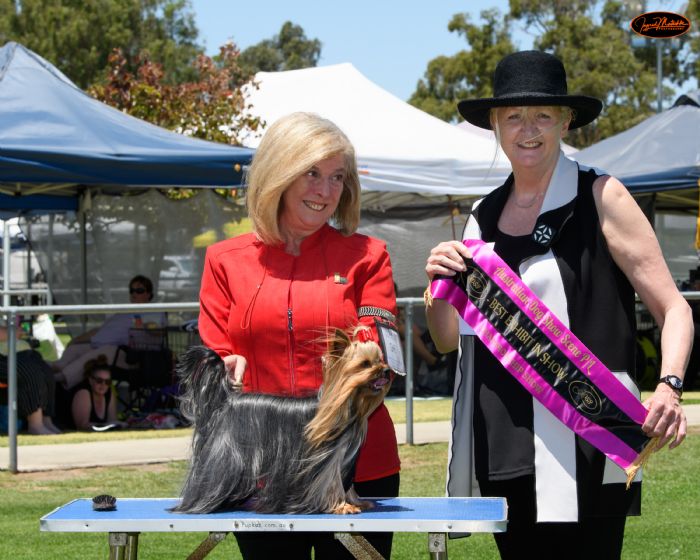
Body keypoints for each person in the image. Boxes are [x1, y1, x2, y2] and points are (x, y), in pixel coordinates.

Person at [424, 51, 691, 559]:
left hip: (591, 435)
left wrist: (670, 385)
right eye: (514, 116)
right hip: (504, 444)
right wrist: (437, 282)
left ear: (566, 121)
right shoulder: (482, 214)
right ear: (495, 125)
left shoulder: (602, 195)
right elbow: (447, 339)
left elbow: (675, 308)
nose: (528, 130)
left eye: (543, 115)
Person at [198, 112, 400, 559]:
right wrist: (222, 368)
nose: (325, 191)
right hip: (260, 469)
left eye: (337, 177)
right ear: (279, 174)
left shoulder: (369, 257)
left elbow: (379, 348)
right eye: (311, 173)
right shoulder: (224, 260)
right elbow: (215, 351)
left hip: (356, 468)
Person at [52, 275, 165, 390]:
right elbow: (100, 331)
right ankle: (55, 368)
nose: (134, 294)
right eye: (132, 290)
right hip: (103, 345)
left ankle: (62, 377)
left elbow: (158, 332)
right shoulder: (124, 312)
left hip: (130, 356)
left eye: (139, 290)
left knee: (99, 354)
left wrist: (146, 324)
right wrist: (75, 340)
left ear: (149, 294)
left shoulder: (154, 311)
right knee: (75, 348)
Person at [0, 327, 61, 435]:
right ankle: (35, 424)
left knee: (46, 371)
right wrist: (12, 332)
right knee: (29, 371)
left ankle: (46, 420)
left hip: (18, 353)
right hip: (4, 358)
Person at [71, 356, 121, 430]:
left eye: (107, 382)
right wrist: (106, 426)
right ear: (90, 380)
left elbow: (112, 421)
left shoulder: (109, 393)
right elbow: (82, 425)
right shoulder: (83, 392)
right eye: (99, 381)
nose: (103, 385)